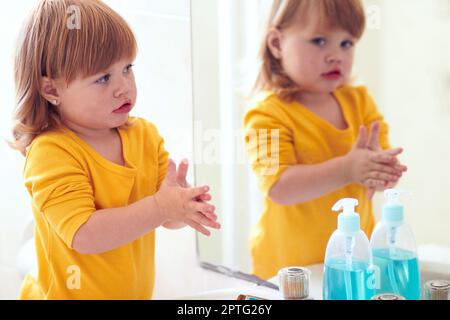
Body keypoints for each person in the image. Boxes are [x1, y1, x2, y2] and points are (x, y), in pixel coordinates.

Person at [9, 0, 220, 299]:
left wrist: (180, 206)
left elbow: (163, 217)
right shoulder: (51, 153)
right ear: (52, 90)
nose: (124, 87)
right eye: (103, 78)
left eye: (127, 68)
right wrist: (161, 206)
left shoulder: (144, 136)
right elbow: (85, 234)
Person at [244, 0, 407, 279]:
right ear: (277, 44)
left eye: (346, 43)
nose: (336, 55)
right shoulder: (266, 114)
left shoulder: (360, 101)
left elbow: (383, 163)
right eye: (319, 41)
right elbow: (279, 186)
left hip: (355, 263)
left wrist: (381, 172)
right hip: (291, 272)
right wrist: (348, 169)